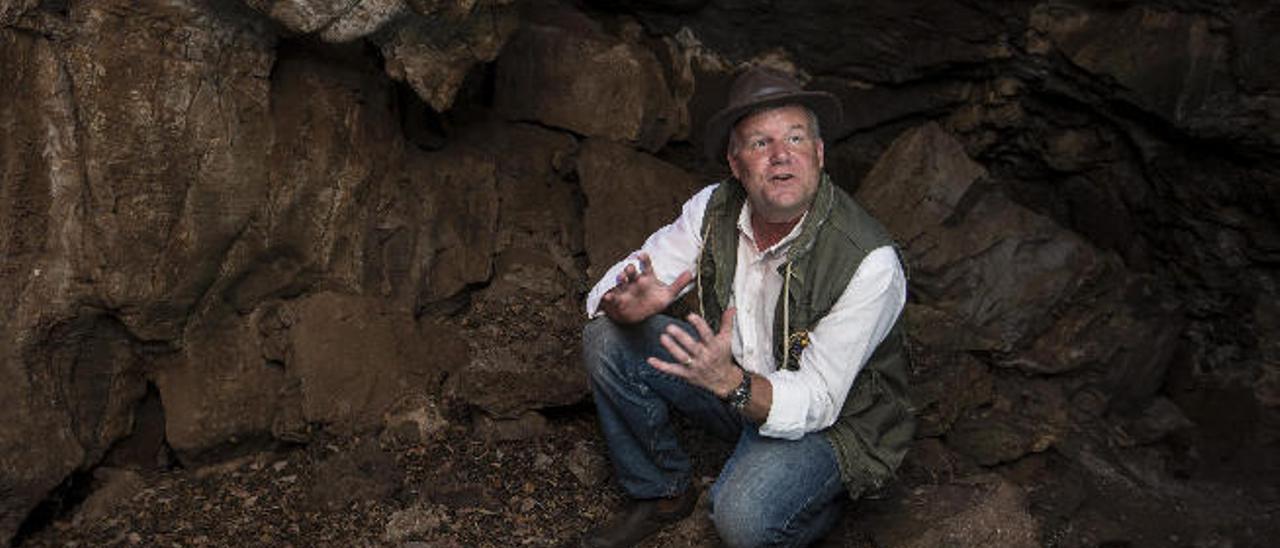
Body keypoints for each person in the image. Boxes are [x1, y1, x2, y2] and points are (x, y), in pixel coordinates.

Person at [579, 66, 915, 548]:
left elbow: (818, 401)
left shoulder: (869, 262)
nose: (781, 157)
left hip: (833, 424)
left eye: (796, 139)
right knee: (608, 340)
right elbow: (618, 283)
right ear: (736, 165)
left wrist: (733, 386)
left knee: (741, 518)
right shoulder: (715, 207)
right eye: (760, 143)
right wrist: (625, 305)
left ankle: (824, 499)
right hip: (735, 384)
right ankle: (662, 491)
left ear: (819, 155)